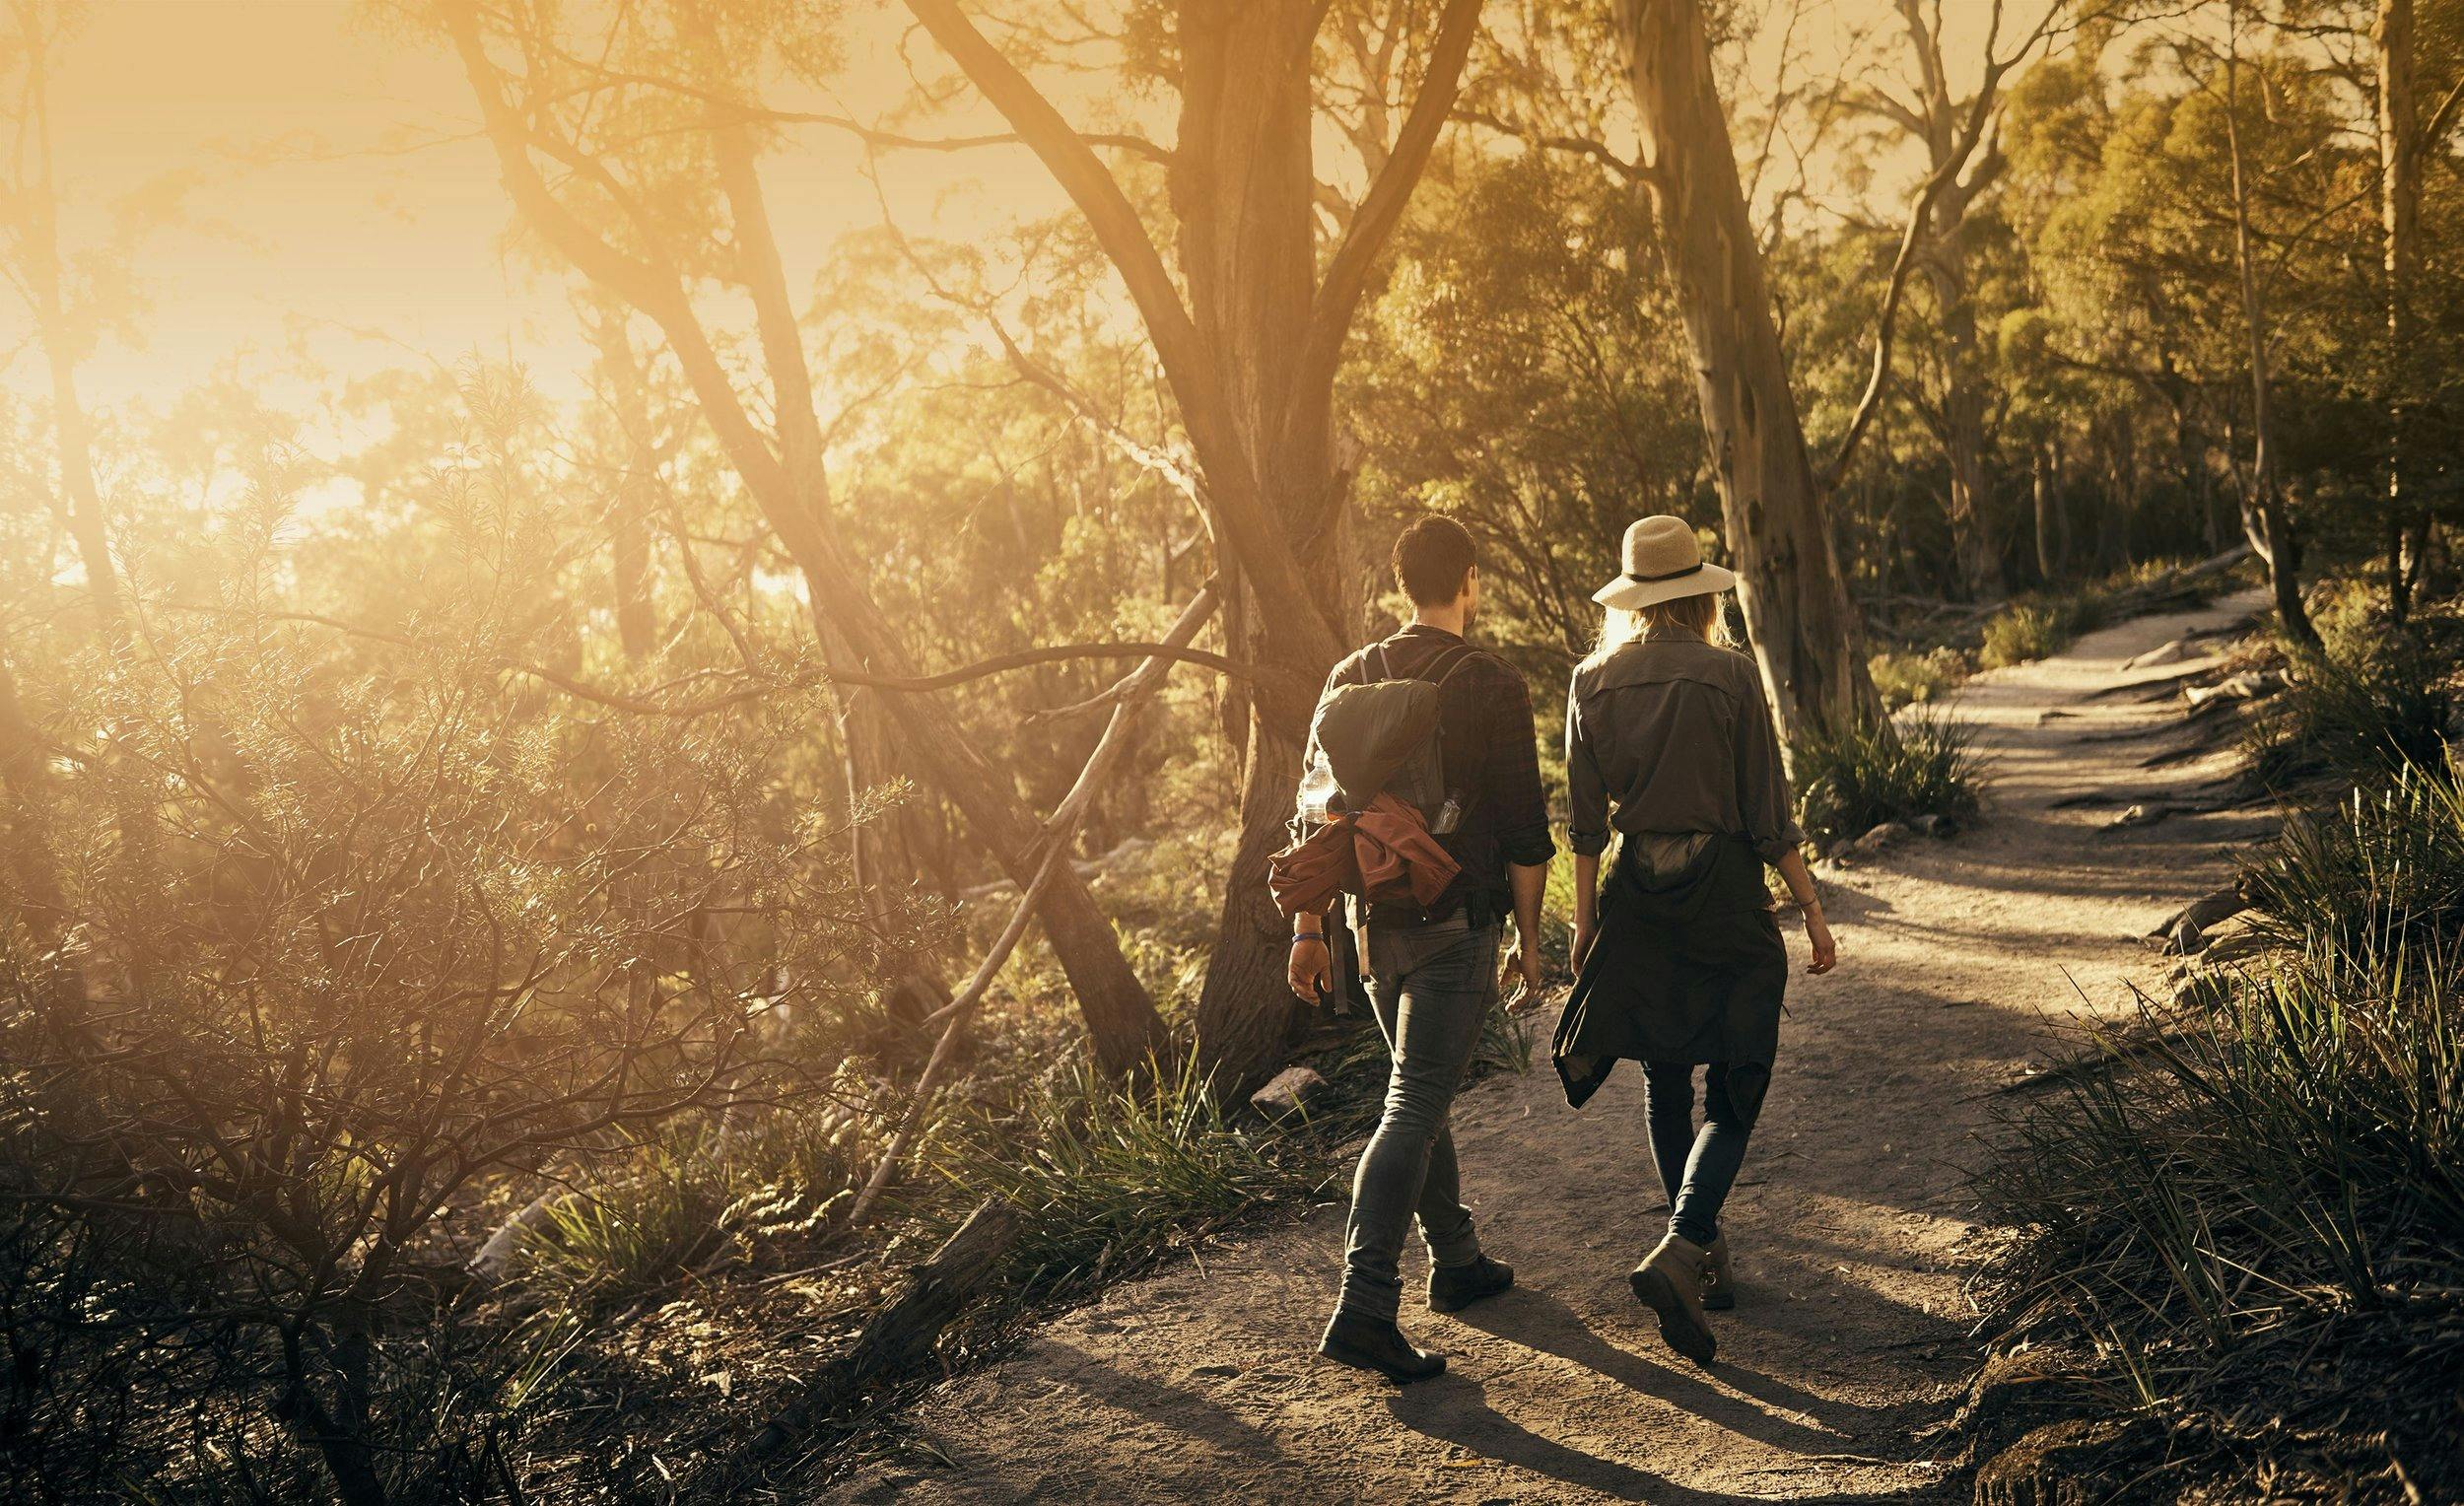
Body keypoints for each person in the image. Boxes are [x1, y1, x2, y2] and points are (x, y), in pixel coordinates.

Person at [1552, 514, 1838, 1367]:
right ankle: (1684, 1248)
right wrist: (1812, 909)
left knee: (1664, 1072)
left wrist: (1585, 923)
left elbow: (1583, 825)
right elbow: (1765, 812)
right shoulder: (1730, 674)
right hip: (1721, 892)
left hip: (1635, 892)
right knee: (1740, 1073)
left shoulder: (1589, 680)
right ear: (1698, 595)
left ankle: (1703, 1258)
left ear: (1634, 599)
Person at [1288, 515, 1555, 1385]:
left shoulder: (1347, 674)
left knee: (1419, 1083)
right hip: (1454, 925)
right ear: (1468, 581)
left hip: (1370, 929)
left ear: (1401, 584)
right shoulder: (1489, 681)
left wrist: (1305, 932)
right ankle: (1365, 1307)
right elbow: (1525, 831)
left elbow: (1313, 817)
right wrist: (1529, 939)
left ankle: (1458, 1259)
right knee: (1412, 1101)